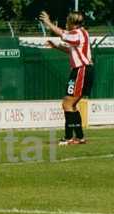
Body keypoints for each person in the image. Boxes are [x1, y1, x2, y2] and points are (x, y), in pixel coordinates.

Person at [40, 11, 94, 145]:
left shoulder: (78, 33)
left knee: (67, 104)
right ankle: (79, 137)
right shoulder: (81, 33)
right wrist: (56, 46)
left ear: (72, 22)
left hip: (81, 70)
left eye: (67, 21)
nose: (66, 23)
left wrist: (48, 23)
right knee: (71, 105)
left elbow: (63, 34)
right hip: (82, 70)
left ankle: (69, 137)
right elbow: (71, 50)